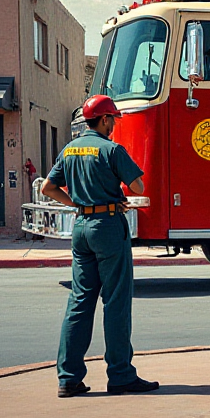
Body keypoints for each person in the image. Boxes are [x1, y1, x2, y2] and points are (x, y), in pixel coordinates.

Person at [41, 95, 159, 398]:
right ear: (105, 120)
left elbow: (48, 187)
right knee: (116, 302)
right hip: (107, 226)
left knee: (80, 302)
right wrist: (113, 194)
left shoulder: (70, 149)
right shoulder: (112, 150)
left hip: (81, 227)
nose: (114, 125)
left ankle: (68, 377)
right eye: (113, 120)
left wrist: (78, 204)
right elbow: (138, 187)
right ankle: (120, 375)